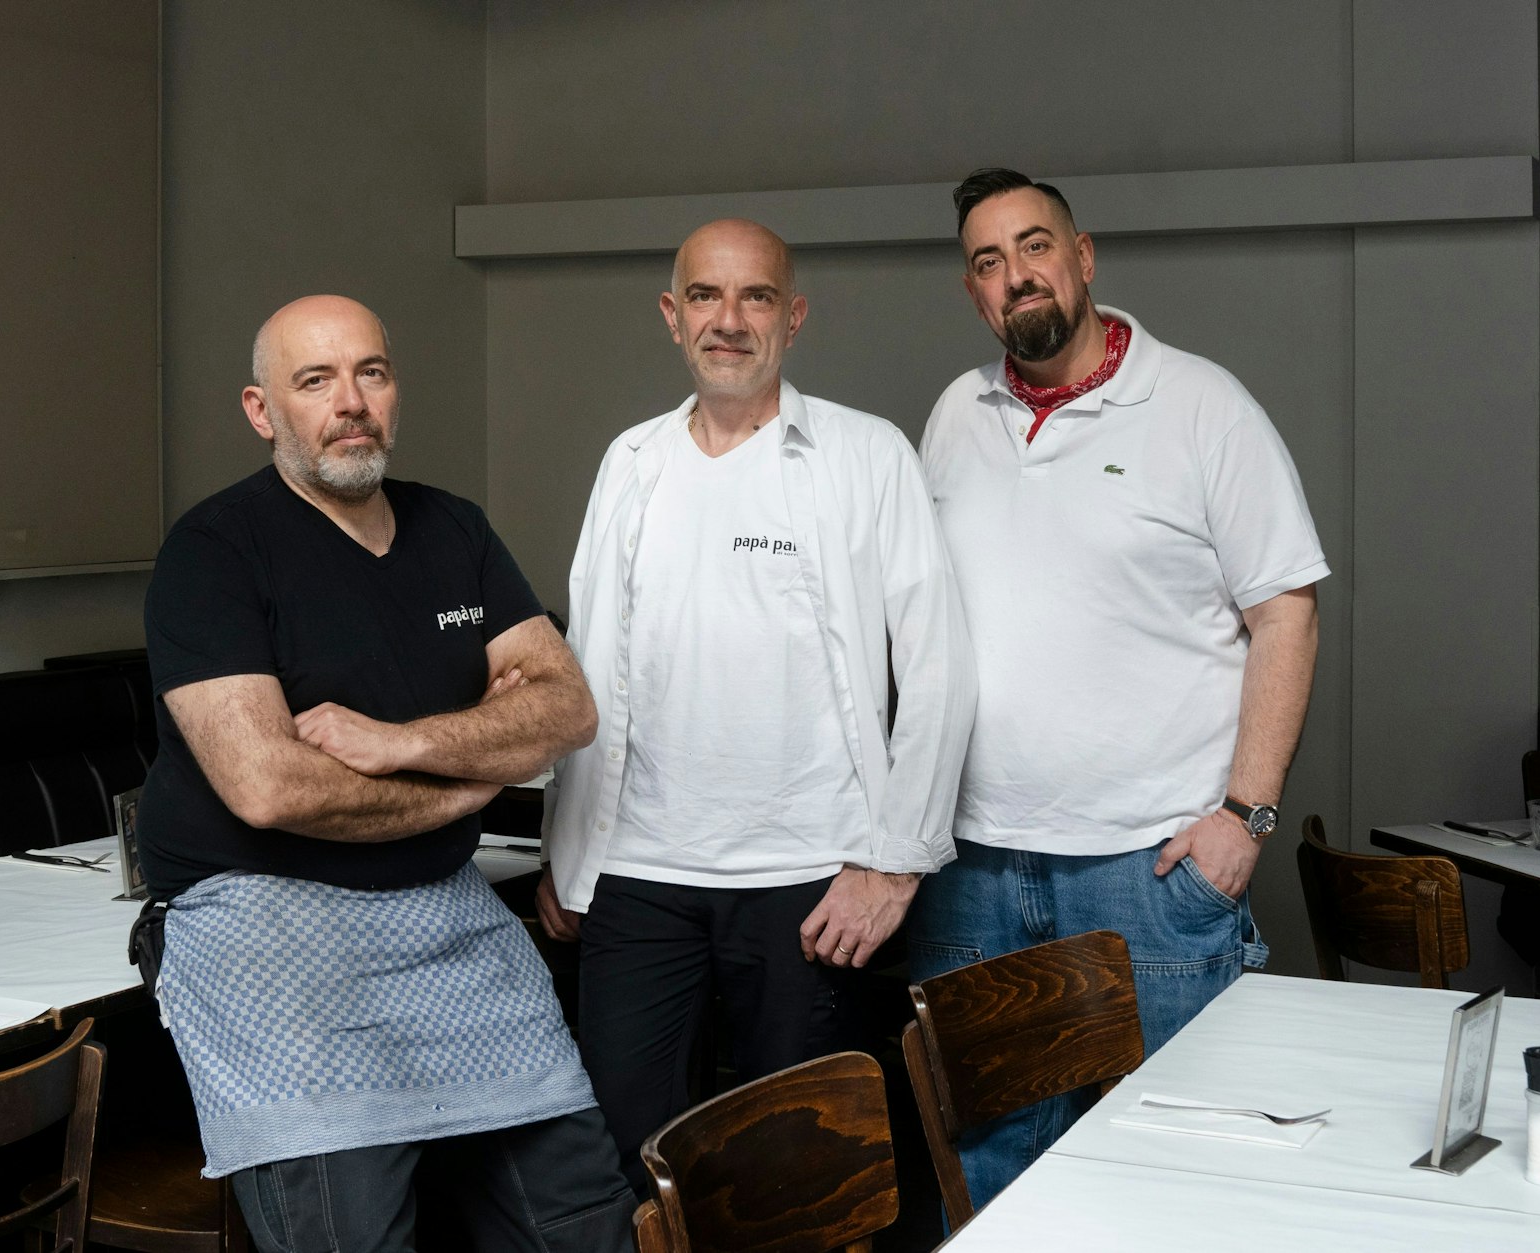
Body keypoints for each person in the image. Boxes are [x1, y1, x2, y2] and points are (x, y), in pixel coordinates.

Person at [137, 295, 633, 1253]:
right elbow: (267, 788)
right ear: (261, 409)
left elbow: (566, 707)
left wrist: (402, 742)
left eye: (371, 372)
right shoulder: (213, 551)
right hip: (266, 928)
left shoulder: (456, 530)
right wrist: (470, 780)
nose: (350, 401)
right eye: (314, 380)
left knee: (586, 1222)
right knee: (352, 1236)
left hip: (449, 916)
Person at [911, 168, 1327, 1204]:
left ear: (1082, 256)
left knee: (1177, 1183)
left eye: (1034, 245)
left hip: (1147, 872)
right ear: (971, 292)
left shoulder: (1199, 406)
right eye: (987, 261)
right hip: (972, 867)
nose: (1016, 276)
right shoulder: (954, 415)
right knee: (994, 1174)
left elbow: (1285, 611)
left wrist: (1245, 813)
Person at [540, 218, 975, 1187]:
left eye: (755, 297)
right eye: (704, 295)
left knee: (797, 1180)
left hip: (811, 885)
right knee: (625, 1172)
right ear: (670, 314)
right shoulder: (632, 461)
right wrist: (568, 856)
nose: (727, 320)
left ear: (794, 316)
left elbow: (939, 669)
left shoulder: (865, 455)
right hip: (638, 881)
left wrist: (894, 861)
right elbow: (588, 663)